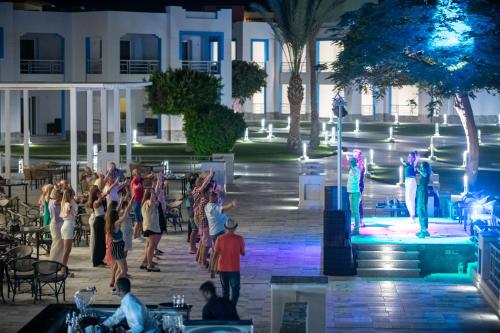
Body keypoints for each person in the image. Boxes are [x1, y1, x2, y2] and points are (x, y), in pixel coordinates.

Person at [214, 218, 244, 306]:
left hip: (222, 268)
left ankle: (226, 308)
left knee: (225, 290)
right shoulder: (239, 239)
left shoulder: (219, 238)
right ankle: (232, 306)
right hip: (234, 268)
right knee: (235, 290)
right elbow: (242, 253)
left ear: (225, 227)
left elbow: (215, 254)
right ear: (235, 228)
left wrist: (213, 267)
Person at [205, 192, 236, 277]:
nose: (218, 199)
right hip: (218, 232)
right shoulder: (213, 208)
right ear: (213, 198)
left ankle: (213, 268)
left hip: (214, 231)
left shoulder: (208, 206)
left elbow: (220, 212)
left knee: (215, 251)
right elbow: (223, 209)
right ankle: (214, 269)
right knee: (218, 252)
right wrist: (232, 205)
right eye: (217, 198)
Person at [106, 197, 134, 290]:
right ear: (115, 216)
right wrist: (130, 203)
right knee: (124, 270)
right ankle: (116, 286)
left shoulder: (110, 222)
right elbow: (125, 215)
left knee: (122, 268)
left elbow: (117, 211)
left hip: (117, 246)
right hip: (117, 247)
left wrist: (122, 200)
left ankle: (116, 285)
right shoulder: (116, 223)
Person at [88, 183, 117, 267]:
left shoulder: (100, 199)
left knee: (102, 242)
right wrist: (100, 196)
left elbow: (107, 192)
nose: (101, 193)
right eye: (99, 193)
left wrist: (115, 183)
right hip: (98, 221)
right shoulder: (95, 202)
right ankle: (96, 261)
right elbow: (98, 202)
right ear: (96, 194)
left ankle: (100, 259)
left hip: (102, 221)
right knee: (98, 242)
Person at [141, 189, 161, 272]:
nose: (155, 195)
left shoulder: (154, 203)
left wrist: (157, 188)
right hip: (149, 227)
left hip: (153, 227)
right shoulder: (147, 203)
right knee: (151, 245)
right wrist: (153, 194)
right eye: (153, 194)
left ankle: (147, 262)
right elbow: (151, 202)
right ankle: (149, 265)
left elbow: (157, 203)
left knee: (150, 245)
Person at [130, 169, 153, 240]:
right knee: (138, 220)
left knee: (141, 220)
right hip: (136, 202)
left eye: (140, 173)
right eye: (138, 174)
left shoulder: (140, 179)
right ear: (134, 175)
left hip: (140, 201)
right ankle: (135, 236)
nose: (140, 175)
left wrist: (150, 175)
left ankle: (138, 235)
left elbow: (146, 177)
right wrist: (138, 186)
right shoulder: (134, 181)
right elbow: (134, 187)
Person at [60, 187, 78, 274]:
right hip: (68, 225)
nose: (74, 196)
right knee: (67, 250)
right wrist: (71, 207)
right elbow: (72, 213)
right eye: (73, 194)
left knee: (67, 250)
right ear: (70, 195)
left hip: (67, 225)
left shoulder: (67, 202)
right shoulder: (67, 204)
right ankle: (63, 269)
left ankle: (64, 267)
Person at [400, 152, 419, 222]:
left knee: (409, 199)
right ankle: (412, 215)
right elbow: (404, 162)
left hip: (411, 181)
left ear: (413, 158)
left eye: (410, 157)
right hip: (408, 182)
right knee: (409, 199)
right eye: (408, 156)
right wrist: (402, 161)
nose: (408, 158)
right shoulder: (408, 164)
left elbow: (416, 159)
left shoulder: (413, 164)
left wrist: (417, 156)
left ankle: (412, 216)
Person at [416, 161, 432, 238]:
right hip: (421, 192)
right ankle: (424, 230)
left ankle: (424, 230)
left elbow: (424, 175)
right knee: (420, 210)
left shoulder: (426, 173)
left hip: (423, 192)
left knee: (421, 209)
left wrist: (419, 171)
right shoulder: (424, 172)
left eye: (422, 167)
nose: (421, 168)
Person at [48, 188, 64, 263]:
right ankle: (53, 261)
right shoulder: (54, 203)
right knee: (57, 243)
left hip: (56, 223)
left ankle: (58, 261)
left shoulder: (51, 201)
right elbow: (56, 218)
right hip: (56, 224)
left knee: (59, 244)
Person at [347, 157, 361, 235]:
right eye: (350, 161)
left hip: (355, 192)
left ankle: (356, 229)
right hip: (351, 192)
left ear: (355, 162)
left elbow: (355, 174)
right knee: (353, 211)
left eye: (352, 161)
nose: (350, 162)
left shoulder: (356, 169)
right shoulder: (352, 169)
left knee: (356, 211)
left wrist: (351, 167)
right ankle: (355, 226)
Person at [353, 149, 365, 227]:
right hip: (354, 186)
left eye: (356, 156)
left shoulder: (360, 164)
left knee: (358, 203)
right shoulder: (355, 164)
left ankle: (360, 221)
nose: (355, 157)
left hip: (358, 186)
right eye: (354, 156)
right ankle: (357, 220)